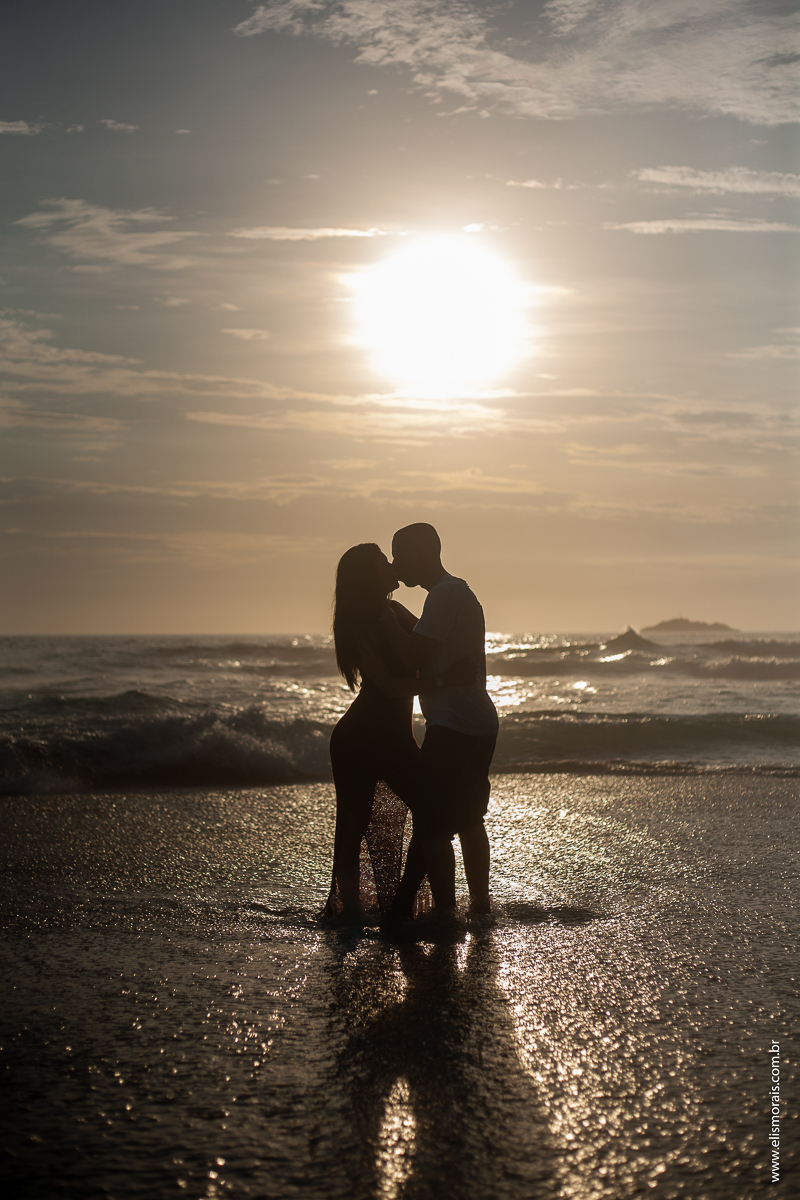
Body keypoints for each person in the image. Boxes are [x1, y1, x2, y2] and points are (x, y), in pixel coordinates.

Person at [324, 542, 474, 921]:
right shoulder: (362, 626)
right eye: (382, 561)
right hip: (358, 740)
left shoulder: (393, 611)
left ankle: (403, 906)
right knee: (352, 827)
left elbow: (427, 645)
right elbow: (391, 688)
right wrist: (446, 680)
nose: (391, 564)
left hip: (395, 739)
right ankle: (349, 917)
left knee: (434, 814)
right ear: (368, 576)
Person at [378, 523, 498, 919]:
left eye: (400, 555)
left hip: (453, 723)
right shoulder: (455, 592)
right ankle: (480, 906)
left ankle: (446, 911)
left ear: (423, 553)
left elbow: (413, 655)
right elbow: (427, 637)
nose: (395, 563)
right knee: (468, 818)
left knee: (431, 825)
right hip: (476, 721)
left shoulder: (443, 596)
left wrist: (383, 616)